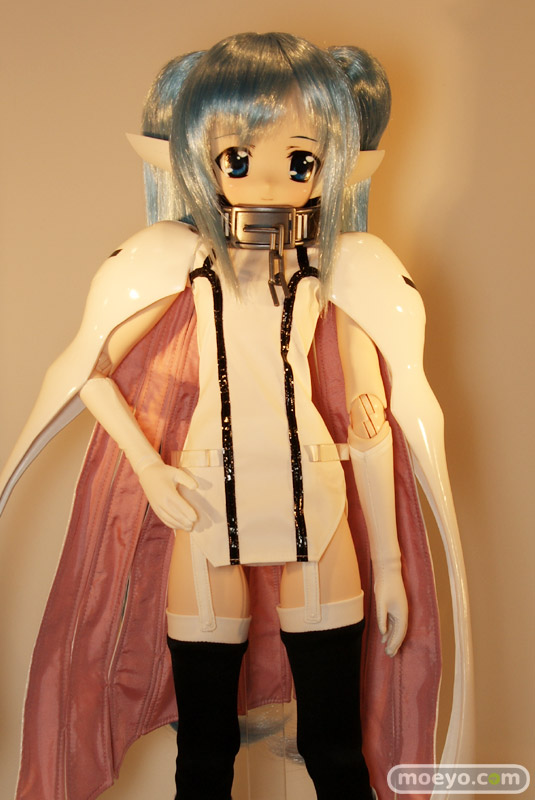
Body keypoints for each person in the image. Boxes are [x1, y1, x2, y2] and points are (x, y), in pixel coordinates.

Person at [0, 32, 472, 800]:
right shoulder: (180, 259)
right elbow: (88, 370)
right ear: (201, 159)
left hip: (314, 501)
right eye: (237, 157)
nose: (270, 180)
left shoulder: (340, 267)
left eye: (300, 160)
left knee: (333, 746)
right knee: (205, 749)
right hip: (201, 502)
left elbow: (369, 424)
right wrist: (148, 467)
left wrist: (389, 566)